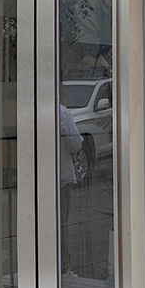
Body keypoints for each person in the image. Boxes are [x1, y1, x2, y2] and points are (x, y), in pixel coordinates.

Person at [58, 83, 83, 275]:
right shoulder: (62, 114)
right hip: (61, 176)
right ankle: (63, 267)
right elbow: (76, 143)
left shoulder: (30, 110)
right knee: (61, 223)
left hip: (37, 179)